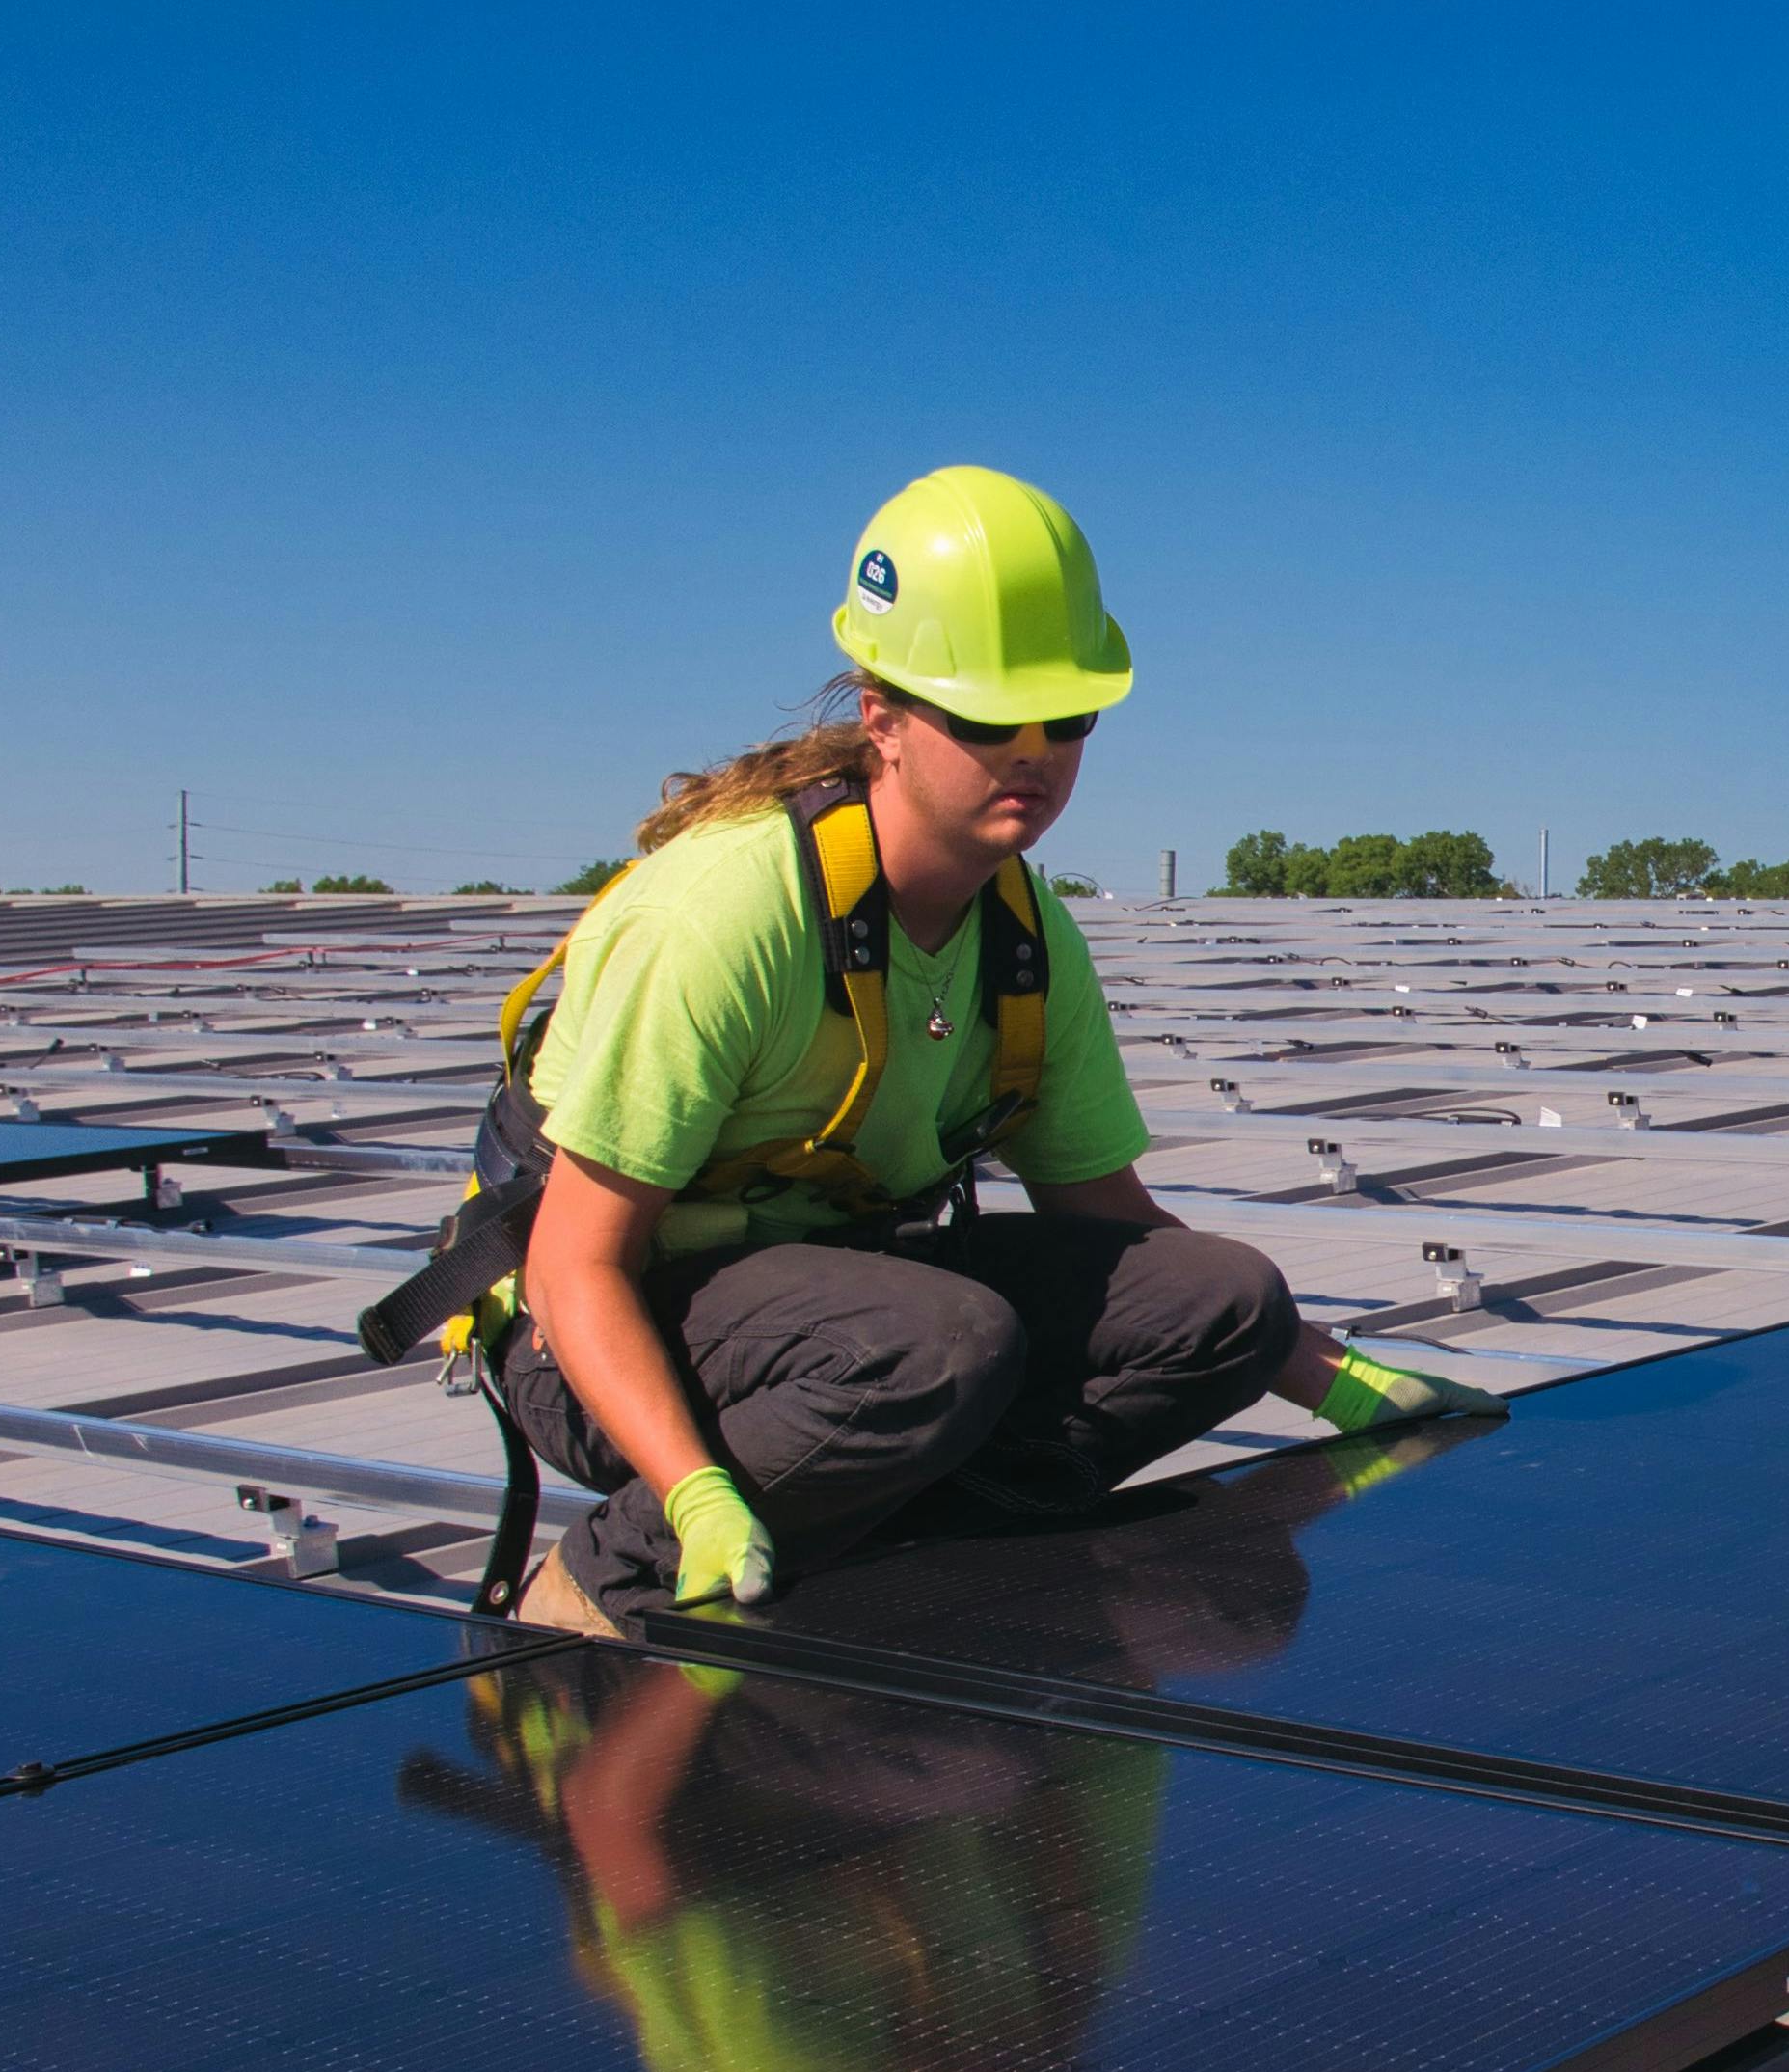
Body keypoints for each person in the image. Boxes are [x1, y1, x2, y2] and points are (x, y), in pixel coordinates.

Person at [404, 464, 1500, 1639]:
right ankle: (603, 1589)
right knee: (935, 1347)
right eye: (985, 718)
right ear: (880, 712)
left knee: (1224, 1298)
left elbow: (1106, 1213)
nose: (1032, 752)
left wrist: (1317, 1371)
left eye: (1066, 716)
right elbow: (578, 1270)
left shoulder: (1023, 933)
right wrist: (690, 1492)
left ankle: (928, 1567)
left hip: (847, 1318)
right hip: (594, 1344)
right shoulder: (726, 915)